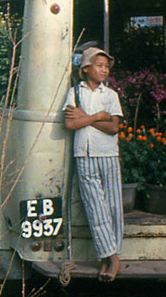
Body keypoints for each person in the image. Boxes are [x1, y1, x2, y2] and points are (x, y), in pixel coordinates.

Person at [63, 47, 124, 283]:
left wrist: (84, 118)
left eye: (107, 67)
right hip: (84, 155)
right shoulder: (74, 93)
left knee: (113, 207)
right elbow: (70, 125)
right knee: (95, 208)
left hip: (108, 154)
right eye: (99, 65)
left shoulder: (110, 95)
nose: (104, 70)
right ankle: (111, 256)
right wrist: (97, 116)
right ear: (86, 68)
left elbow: (114, 127)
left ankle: (109, 258)